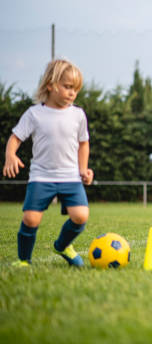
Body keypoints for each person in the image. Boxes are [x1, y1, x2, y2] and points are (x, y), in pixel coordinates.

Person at [3, 59, 94, 267]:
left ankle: (62, 246)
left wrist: (83, 169)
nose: (72, 93)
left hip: (70, 176)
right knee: (31, 219)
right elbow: (15, 138)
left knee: (80, 216)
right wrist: (10, 155)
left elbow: (83, 143)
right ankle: (24, 260)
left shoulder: (78, 115)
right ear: (50, 85)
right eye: (68, 87)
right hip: (41, 176)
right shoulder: (34, 114)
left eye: (76, 89)